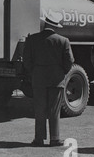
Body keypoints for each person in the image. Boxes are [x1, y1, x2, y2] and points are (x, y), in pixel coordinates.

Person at [23, 11, 74, 147]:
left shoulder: (32, 39)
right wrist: (61, 72)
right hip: (56, 79)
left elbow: (26, 61)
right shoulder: (63, 41)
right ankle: (54, 139)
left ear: (44, 23)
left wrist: (34, 71)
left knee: (39, 109)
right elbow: (69, 62)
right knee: (54, 109)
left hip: (38, 78)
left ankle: (39, 139)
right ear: (56, 26)